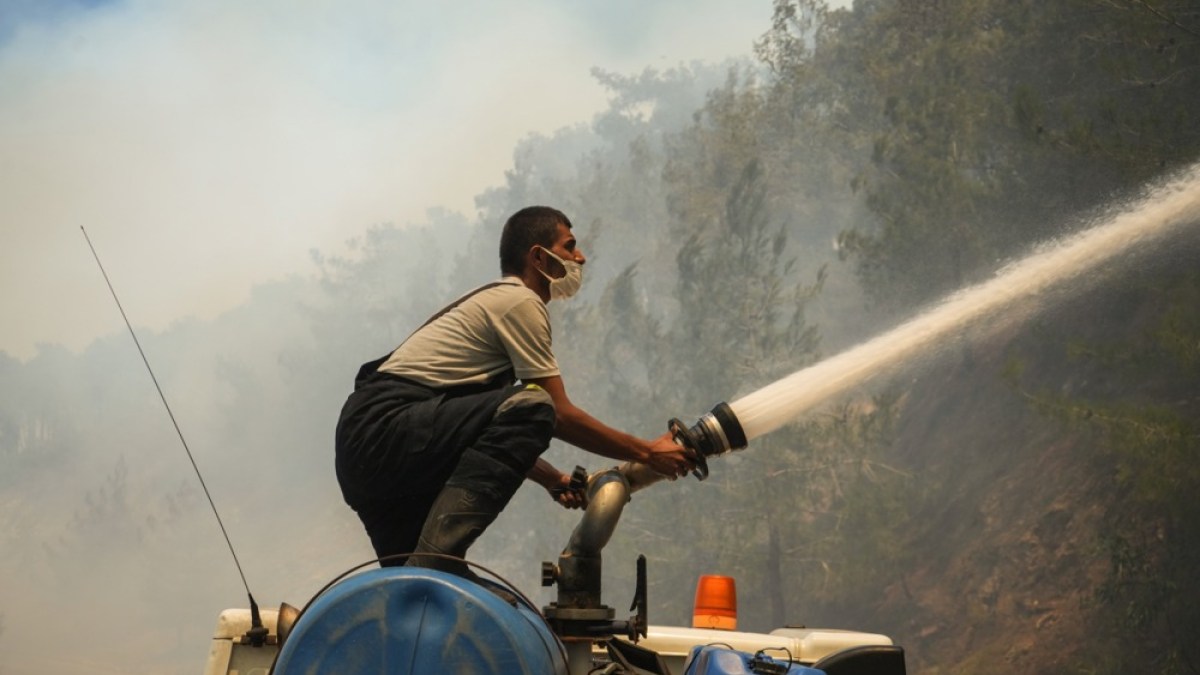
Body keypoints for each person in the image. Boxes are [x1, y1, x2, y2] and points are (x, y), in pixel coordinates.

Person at [334, 205, 695, 591]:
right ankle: (440, 556)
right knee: (535, 402)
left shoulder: (497, 307)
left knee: (419, 590)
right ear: (539, 256)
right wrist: (647, 452)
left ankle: (431, 570)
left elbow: (483, 428)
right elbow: (554, 413)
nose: (581, 257)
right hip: (385, 427)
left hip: (367, 451)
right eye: (570, 246)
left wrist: (551, 479)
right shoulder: (520, 301)